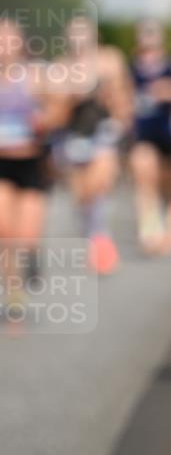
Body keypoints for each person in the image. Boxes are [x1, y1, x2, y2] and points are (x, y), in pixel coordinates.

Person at [0, 18, 60, 318]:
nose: (4, 48)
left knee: (26, 237)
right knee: (3, 231)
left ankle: (32, 256)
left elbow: (59, 110)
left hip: (32, 165)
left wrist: (44, 121)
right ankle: (13, 291)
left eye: (10, 40)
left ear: (21, 44)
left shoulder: (35, 76)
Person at [53, 15, 133, 274]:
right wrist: (71, 96)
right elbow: (55, 110)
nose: (78, 39)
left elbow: (124, 96)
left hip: (103, 131)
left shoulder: (110, 59)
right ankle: (91, 232)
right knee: (82, 194)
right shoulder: (60, 67)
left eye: (83, 33)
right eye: (73, 34)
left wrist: (119, 121)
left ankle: (100, 238)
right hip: (73, 135)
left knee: (100, 184)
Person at [129, 18, 171, 254]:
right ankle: (150, 231)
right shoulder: (131, 70)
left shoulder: (168, 68)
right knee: (144, 179)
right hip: (144, 136)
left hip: (168, 133)